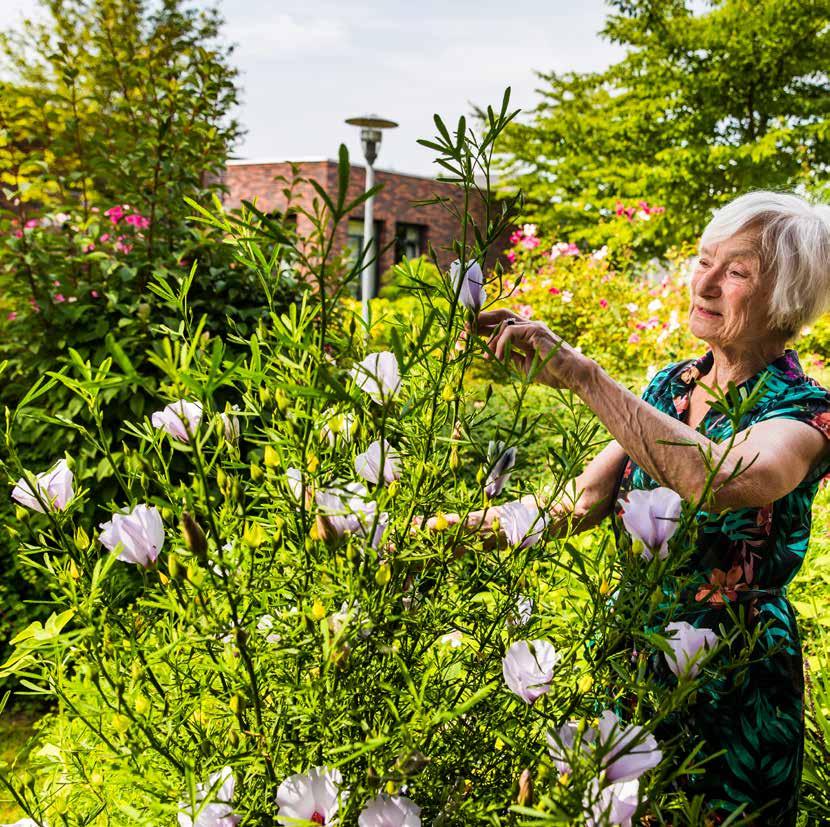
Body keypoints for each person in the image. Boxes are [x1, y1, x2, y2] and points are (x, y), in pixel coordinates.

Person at [442, 191, 830, 824]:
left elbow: (719, 478)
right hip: (632, 652)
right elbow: (580, 501)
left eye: (734, 271)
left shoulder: (806, 413)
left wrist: (582, 373)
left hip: (732, 679)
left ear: (786, 297)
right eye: (704, 261)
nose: (703, 283)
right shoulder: (669, 387)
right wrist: (421, 534)